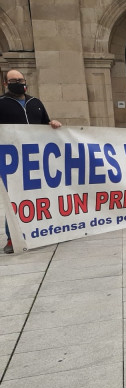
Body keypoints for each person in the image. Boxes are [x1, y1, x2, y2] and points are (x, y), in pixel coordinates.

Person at [0, 69, 62, 254]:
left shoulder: (35, 103)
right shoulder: (1, 104)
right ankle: (13, 237)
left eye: (20, 79)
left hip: (37, 159)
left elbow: (45, 123)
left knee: (39, 196)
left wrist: (53, 124)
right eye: (13, 80)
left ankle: (40, 231)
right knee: (13, 199)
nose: (18, 82)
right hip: (12, 160)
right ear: (5, 84)